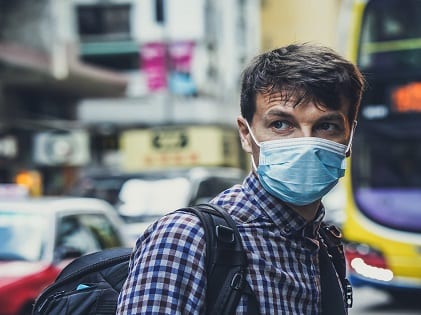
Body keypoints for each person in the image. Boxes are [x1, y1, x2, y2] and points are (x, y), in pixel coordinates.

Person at [116, 43, 365, 314]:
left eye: (326, 126)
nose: (306, 143)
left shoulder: (323, 244)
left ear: (348, 137)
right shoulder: (185, 238)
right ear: (246, 134)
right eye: (281, 124)